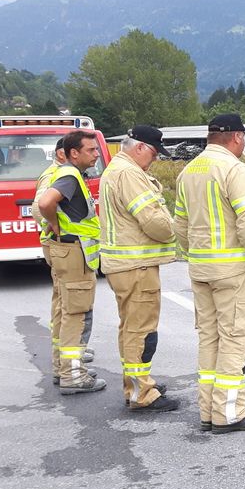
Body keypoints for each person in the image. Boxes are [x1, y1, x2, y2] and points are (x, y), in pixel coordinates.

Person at [174, 113, 245, 434]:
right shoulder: (235, 170)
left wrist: (198, 255)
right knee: (235, 341)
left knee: (210, 339)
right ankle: (229, 412)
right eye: (243, 137)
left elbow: (180, 226)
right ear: (234, 137)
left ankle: (208, 409)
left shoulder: (188, 171)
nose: (243, 142)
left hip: (201, 269)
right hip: (232, 271)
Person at [99, 126, 179, 412]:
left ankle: (136, 384)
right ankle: (141, 393)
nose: (155, 159)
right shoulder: (130, 174)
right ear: (140, 147)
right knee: (141, 331)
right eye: (154, 153)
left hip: (125, 265)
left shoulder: (116, 169)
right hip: (135, 266)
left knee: (130, 328)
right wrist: (175, 229)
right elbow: (154, 222)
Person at [36, 130, 104, 395]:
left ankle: (62, 368)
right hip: (74, 252)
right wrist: (54, 223)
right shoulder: (69, 175)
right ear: (74, 153)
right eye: (91, 150)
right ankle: (73, 375)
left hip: (66, 251)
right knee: (77, 314)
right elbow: (45, 202)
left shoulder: (64, 173)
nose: (96, 155)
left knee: (65, 310)